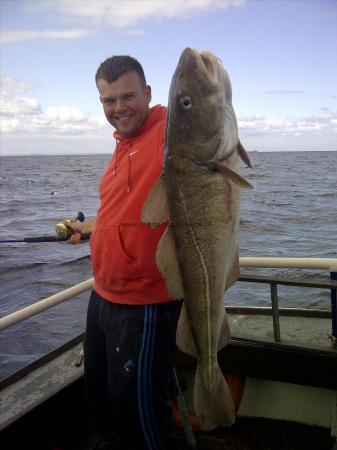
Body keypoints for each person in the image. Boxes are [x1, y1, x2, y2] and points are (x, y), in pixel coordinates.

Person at [65, 56, 183, 450]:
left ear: (148, 94)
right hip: (104, 295)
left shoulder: (171, 129)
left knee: (141, 412)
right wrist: (88, 228)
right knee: (102, 396)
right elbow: (121, 213)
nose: (118, 109)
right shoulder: (122, 147)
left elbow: (207, 123)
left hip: (145, 301)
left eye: (128, 96)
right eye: (108, 101)